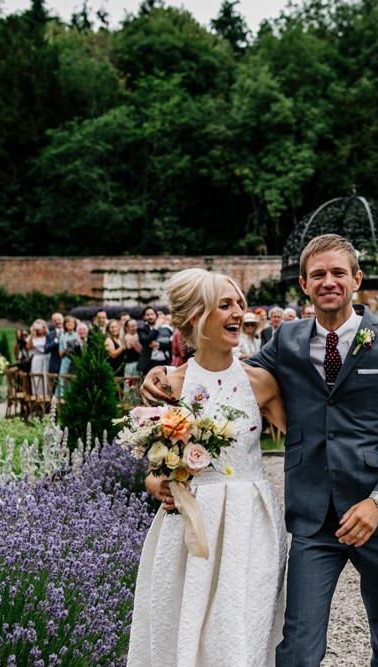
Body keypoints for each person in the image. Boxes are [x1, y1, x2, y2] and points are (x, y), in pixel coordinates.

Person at [142, 234, 378, 667]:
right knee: (297, 647)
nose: (328, 281)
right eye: (318, 274)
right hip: (313, 519)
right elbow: (225, 380)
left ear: (357, 279)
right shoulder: (287, 341)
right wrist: (164, 371)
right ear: (304, 284)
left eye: (337, 273)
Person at [127, 269, 288, 666]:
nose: (240, 314)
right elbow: (153, 468)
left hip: (250, 523)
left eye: (240, 304)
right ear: (197, 316)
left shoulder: (261, 382)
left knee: (242, 627)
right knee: (183, 625)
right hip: (190, 523)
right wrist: (154, 485)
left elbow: (310, 442)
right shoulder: (169, 385)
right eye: (226, 305)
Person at [26, 319, 50, 397]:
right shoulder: (32, 337)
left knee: (47, 377)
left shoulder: (48, 336)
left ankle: (47, 395)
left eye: (40, 326)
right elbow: (28, 347)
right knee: (36, 378)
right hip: (37, 358)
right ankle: (37, 396)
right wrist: (32, 334)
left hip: (47, 357)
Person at [57, 315, 79, 394]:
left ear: (75, 324)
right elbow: (60, 354)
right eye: (68, 322)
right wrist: (67, 350)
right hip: (65, 361)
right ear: (65, 325)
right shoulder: (62, 337)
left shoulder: (77, 335)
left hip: (75, 361)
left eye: (72, 322)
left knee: (73, 380)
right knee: (63, 379)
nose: (70, 324)